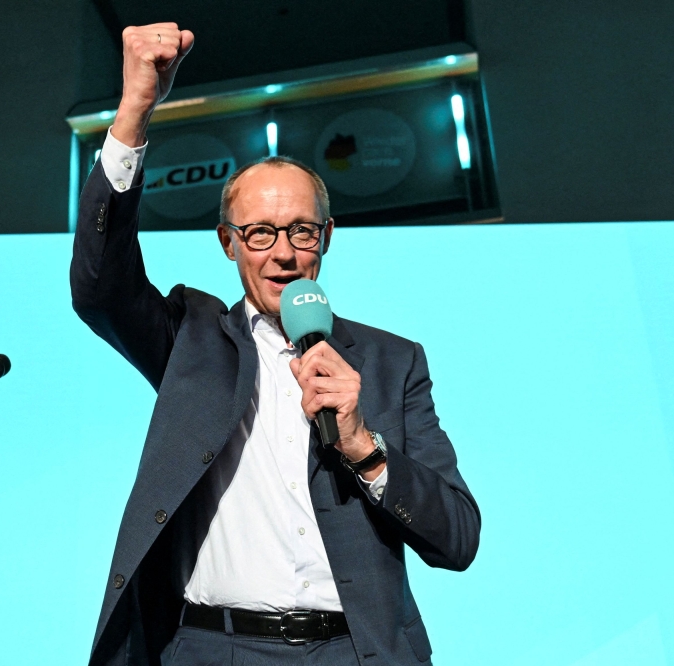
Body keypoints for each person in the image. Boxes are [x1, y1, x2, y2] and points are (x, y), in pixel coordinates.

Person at [70, 22, 480, 666]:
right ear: (228, 244)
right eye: (259, 233)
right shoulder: (192, 338)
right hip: (210, 647)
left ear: (329, 236)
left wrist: (364, 449)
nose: (283, 253)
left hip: (351, 652)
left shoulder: (392, 363)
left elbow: (457, 537)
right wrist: (134, 113)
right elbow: (100, 285)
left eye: (301, 232)